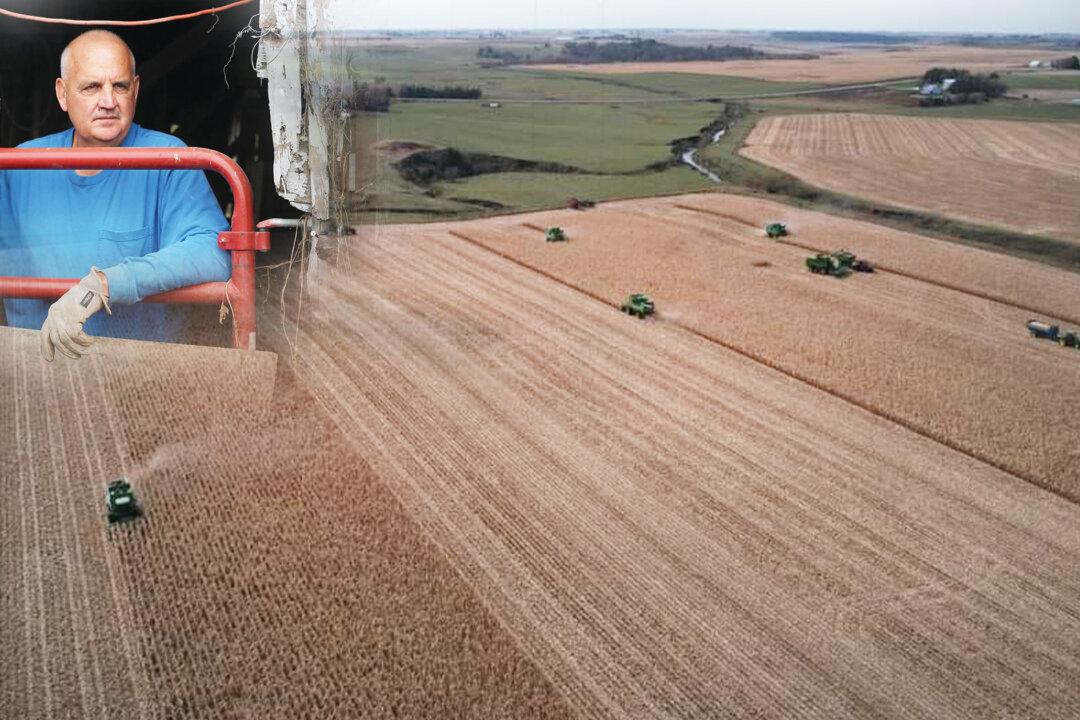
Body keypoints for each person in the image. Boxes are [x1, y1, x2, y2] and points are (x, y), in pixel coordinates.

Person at [0, 29, 231, 360]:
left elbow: (213, 252)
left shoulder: (169, 157)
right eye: (92, 87)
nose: (108, 102)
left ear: (135, 90)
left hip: (137, 373)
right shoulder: (20, 165)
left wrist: (105, 284)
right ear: (62, 94)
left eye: (119, 86)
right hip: (38, 369)